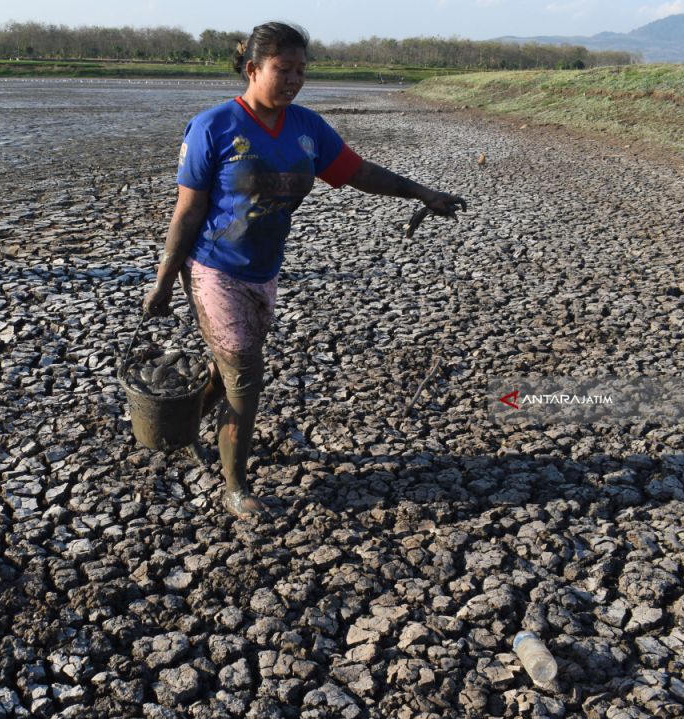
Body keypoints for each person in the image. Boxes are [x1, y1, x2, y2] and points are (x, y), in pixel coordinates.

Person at [142, 22, 466, 521]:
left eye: (301, 70)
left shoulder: (307, 128)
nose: (293, 79)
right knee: (246, 378)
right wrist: (164, 280)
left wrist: (422, 193)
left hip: (264, 271)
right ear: (252, 69)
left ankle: (179, 428)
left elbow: (358, 173)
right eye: (282, 69)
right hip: (213, 269)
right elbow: (186, 213)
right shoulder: (214, 126)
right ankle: (234, 485)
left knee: (228, 368)